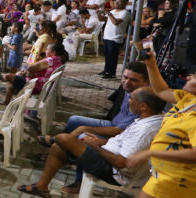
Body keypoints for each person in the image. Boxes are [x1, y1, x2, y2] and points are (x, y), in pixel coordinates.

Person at [16, 87, 166, 198]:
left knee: (64, 139)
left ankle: (56, 140)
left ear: (143, 106)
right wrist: (100, 142)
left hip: (114, 172)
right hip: (109, 155)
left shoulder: (146, 130)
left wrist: (95, 146)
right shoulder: (151, 118)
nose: (128, 101)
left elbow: (122, 163)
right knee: (58, 147)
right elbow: (123, 143)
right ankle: (42, 187)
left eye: (131, 99)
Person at [41, 61, 150, 194]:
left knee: (82, 136)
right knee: (74, 121)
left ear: (146, 82)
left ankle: (79, 180)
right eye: (125, 77)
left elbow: (119, 131)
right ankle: (63, 149)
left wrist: (87, 131)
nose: (127, 82)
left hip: (116, 135)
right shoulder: (129, 90)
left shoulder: (142, 101)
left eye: (133, 80)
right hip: (114, 127)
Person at [128, 51, 196, 197]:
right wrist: (151, 64)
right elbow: (161, 90)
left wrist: (151, 152)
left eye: (194, 76)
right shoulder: (189, 99)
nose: (189, 77)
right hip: (164, 175)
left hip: (179, 182)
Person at [2, 42, 67, 105]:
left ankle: (8, 103)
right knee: (11, 83)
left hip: (36, 85)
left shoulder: (50, 60)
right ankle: (8, 103)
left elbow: (30, 68)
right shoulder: (59, 60)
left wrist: (29, 71)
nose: (45, 51)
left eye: (47, 49)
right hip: (45, 86)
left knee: (8, 77)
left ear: (53, 53)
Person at [98, 0, 130, 79]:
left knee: (113, 56)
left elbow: (116, 22)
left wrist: (109, 14)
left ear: (124, 3)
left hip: (116, 37)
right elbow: (104, 19)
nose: (117, 3)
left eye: (119, 2)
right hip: (107, 36)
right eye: (116, 2)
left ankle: (112, 73)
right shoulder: (112, 11)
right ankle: (106, 70)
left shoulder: (125, 13)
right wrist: (98, 13)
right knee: (107, 55)